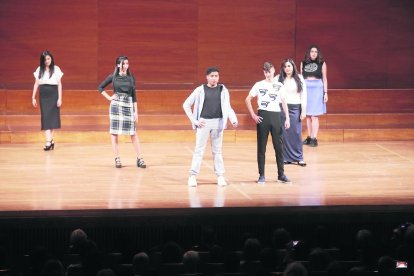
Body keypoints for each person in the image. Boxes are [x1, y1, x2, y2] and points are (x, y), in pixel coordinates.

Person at [183, 67, 238, 187]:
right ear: (207, 77)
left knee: (217, 151)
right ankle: (192, 176)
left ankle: (220, 176)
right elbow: (186, 104)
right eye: (212, 76)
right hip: (203, 123)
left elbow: (227, 106)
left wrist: (233, 119)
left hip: (218, 123)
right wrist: (195, 121)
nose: (214, 78)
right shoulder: (200, 90)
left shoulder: (223, 90)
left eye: (216, 76)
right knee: (199, 150)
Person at [245, 62, 291, 185]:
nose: (268, 74)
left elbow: (284, 102)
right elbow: (248, 99)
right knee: (261, 147)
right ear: (263, 72)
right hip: (263, 116)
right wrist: (253, 115)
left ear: (273, 71)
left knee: (279, 147)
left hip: (276, 116)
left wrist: (287, 118)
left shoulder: (279, 85)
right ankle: (262, 175)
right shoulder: (258, 85)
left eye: (269, 71)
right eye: (265, 72)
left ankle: (281, 175)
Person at [98, 55, 146, 169]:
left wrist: (136, 112)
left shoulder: (131, 78)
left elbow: (134, 95)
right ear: (118, 65)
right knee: (114, 133)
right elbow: (100, 87)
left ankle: (140, 158)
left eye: (127, 63)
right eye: (123, 63)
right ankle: (117, 158)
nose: (126, 66)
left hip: (128, 105)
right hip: (116, 106)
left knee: (133, 133)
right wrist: (109, 98)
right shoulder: (113, 77)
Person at [277, 59, 307, 166]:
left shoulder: (300, 78)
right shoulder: (279, 78)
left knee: (296, 132)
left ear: (293, 66)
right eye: (285, 66)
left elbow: (304, 96)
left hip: (295, 108)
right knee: (284, 133)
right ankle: (286, 158)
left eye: (289, 66)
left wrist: (303, 111)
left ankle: (299, 157)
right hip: (282, 108)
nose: (287, 68)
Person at [31, 50, 63, 151]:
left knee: (53, 119)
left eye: (48, 59)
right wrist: (33, 97)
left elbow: (59, 84)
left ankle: (49, 141)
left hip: (54, 94)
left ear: (51, 59)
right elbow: (36, 84)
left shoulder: (56, 69)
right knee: (45, 118)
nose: (47, 61)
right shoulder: (39, 69)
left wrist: (60, 98)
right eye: (45, 59)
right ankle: (49, 141)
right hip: (43, 95)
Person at [301, 44, 328, 147]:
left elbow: (324, 78)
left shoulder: (322, 63)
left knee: (314, 115)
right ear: (309, 53)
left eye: (316, 52)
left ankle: (314, 138)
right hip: (306, 88)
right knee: (307, 115)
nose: (314, 53)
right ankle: (309, 137)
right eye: (312, 51)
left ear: (318, 53)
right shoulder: (303, 63)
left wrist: (325, 93)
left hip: (317, 88)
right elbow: (301, 78)